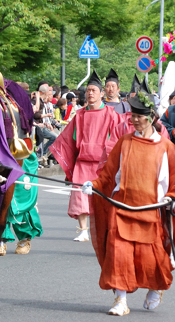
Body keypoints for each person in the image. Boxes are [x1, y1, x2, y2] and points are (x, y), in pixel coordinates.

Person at [83, 90, 175, 316]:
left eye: (141, 115)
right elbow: (108, 175)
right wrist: (94, 185)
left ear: (152, 117)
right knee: (118, 256)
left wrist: (173, 197)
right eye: (133, 115)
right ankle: (120, 300)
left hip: (150, 210)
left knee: (150, 259)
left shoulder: (166, 146)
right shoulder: (124, 142)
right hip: (121, 207)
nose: (135, 119)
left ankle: (156, 287)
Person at [51, 71, 123, 242]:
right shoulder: (80, 115)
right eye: (88, 90)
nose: (90, 93)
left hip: (102, 164)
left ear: (101, 94)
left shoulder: (112, 115)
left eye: (94, 90)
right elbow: (68, 139)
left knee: (102, 198)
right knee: (79, 195)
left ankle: (103, 229)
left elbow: (117, 139)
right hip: (82, 162)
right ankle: (83, 230)